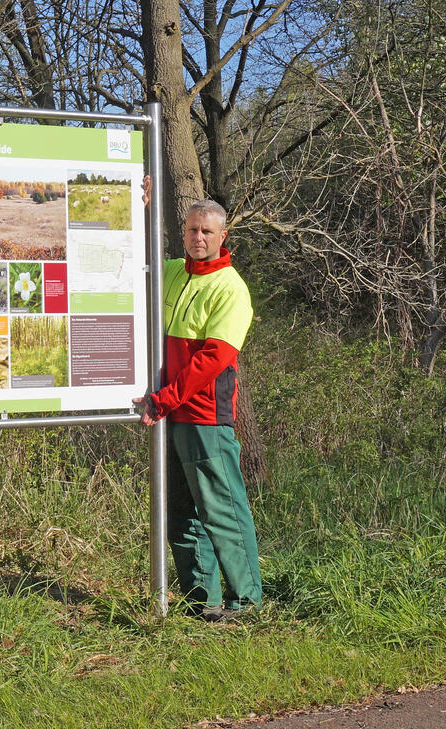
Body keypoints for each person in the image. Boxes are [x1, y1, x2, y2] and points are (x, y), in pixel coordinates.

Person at [134, 188, 261, 622]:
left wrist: (163, 400)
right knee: (180, 513)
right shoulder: (172, 272)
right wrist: (141, 206)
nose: (198, 237)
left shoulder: (231, 289)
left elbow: (213, 360)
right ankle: (200, 600)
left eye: (207, 231)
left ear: (223, 235)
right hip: (171, 416)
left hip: (205, 418)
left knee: (221, 511)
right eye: (191, 229)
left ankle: (245, 601)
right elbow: (137, 254)